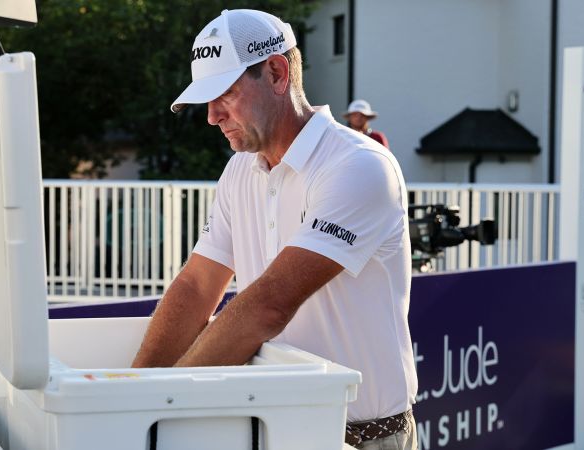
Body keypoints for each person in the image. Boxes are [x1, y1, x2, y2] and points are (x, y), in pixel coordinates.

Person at [132, 9, 418, 449]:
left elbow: (269, 304)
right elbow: (195, 286)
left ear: (277, 73)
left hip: (360, 438)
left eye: (224, 94)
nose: (211, 116)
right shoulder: (239, 171)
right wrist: (132, 400)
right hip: (271, 430)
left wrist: (163, 411)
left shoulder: (359, 165)